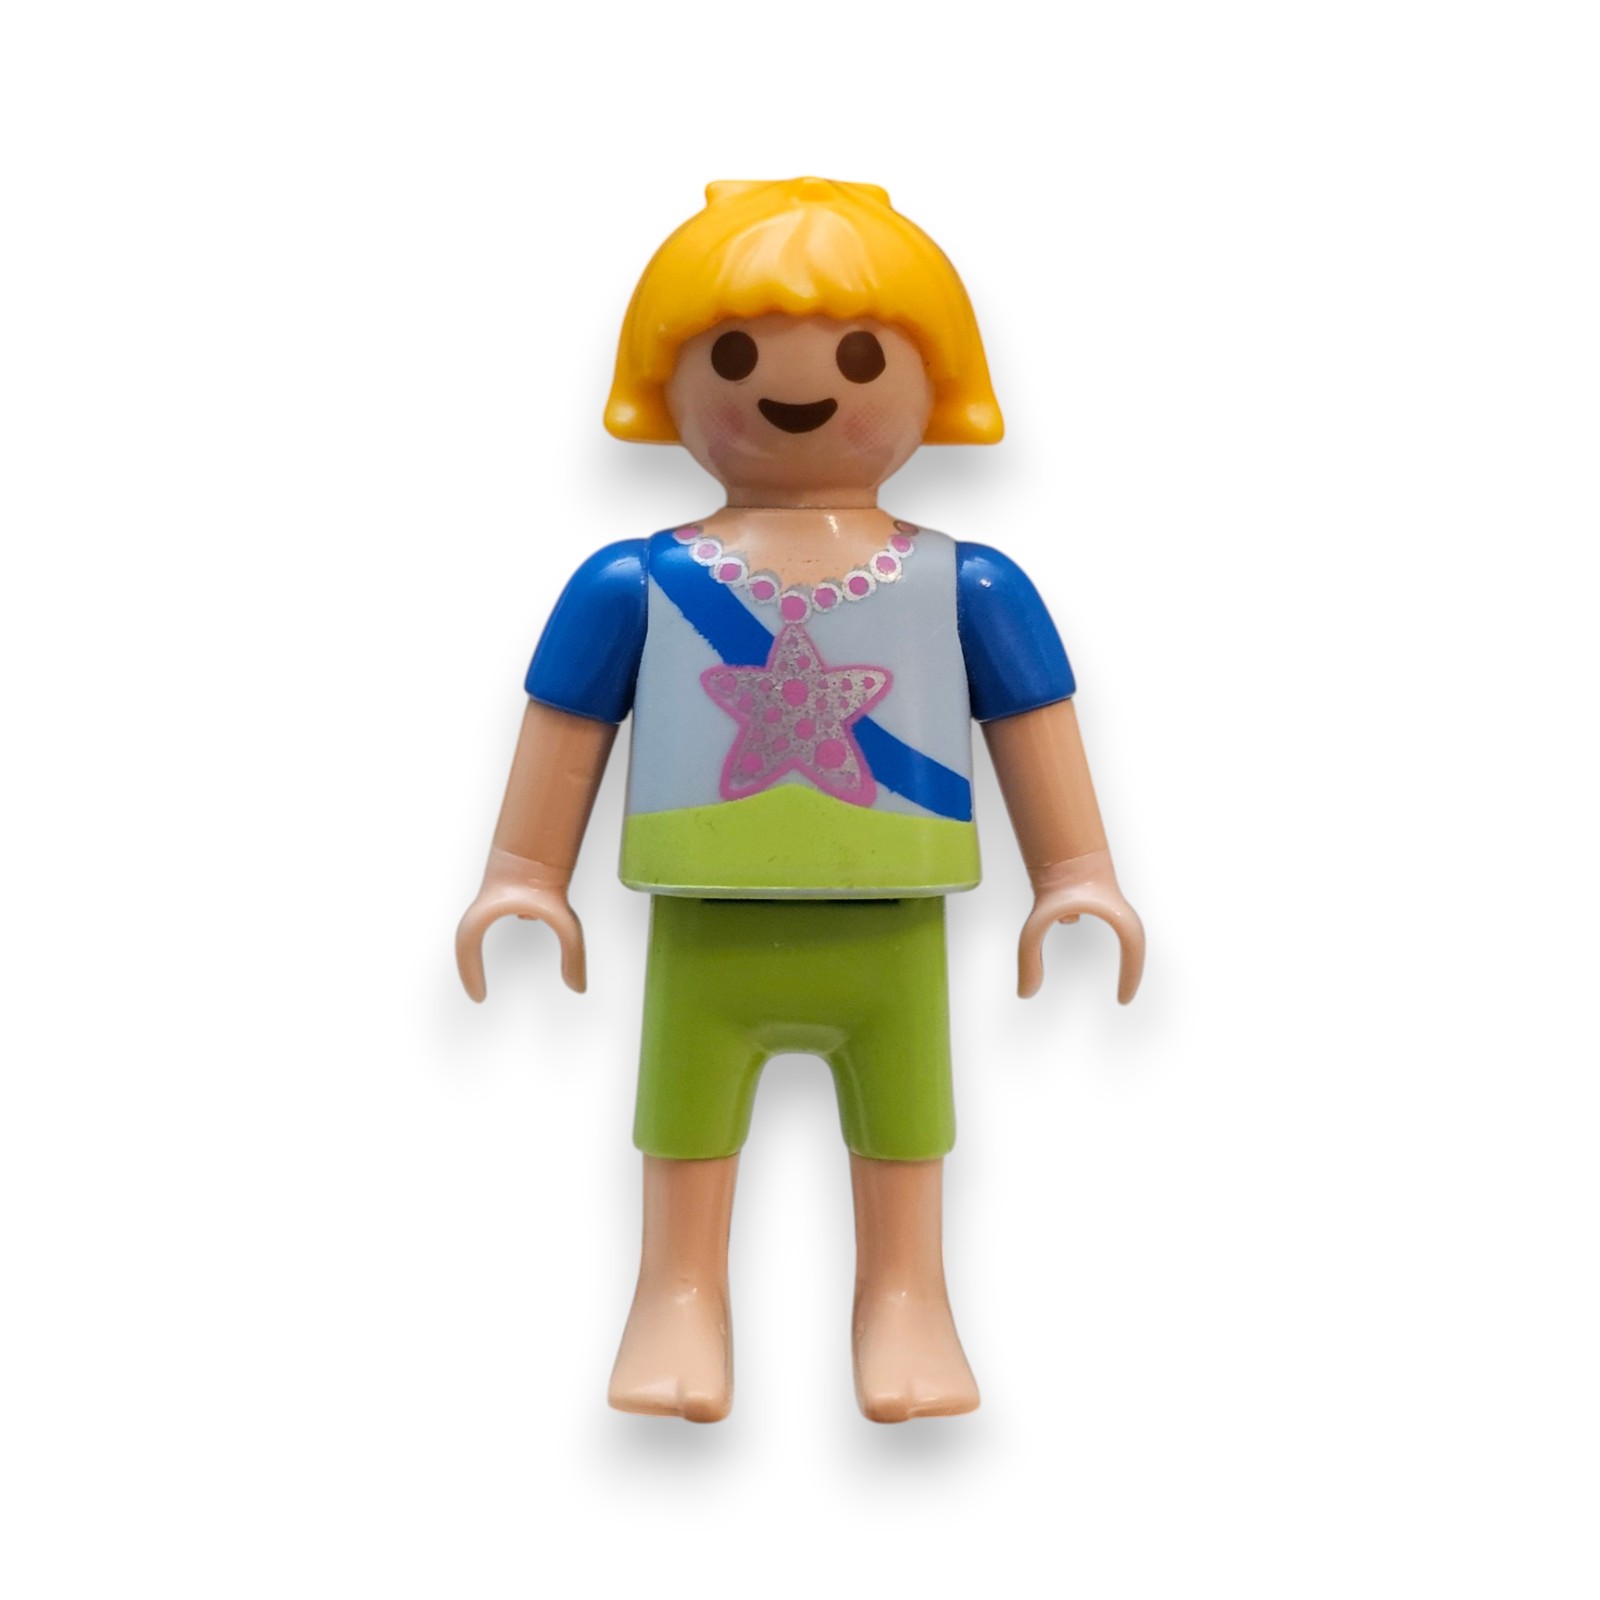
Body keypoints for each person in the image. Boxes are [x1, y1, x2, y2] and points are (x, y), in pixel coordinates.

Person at [456, 178, 1145, 1423]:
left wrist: (1076, 873)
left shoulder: (967, 584)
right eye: (733, 354)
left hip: (890, 918)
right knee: (684, 1110)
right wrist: (524, 873)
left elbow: (1032, 724)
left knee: (907, 1115)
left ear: (937, 381)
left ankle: (907, 1297)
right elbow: (567, 723)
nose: (800, 388)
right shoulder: (634, 581)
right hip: (704, 918)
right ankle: (674, 1294)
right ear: (663, 380)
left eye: (861, 355)